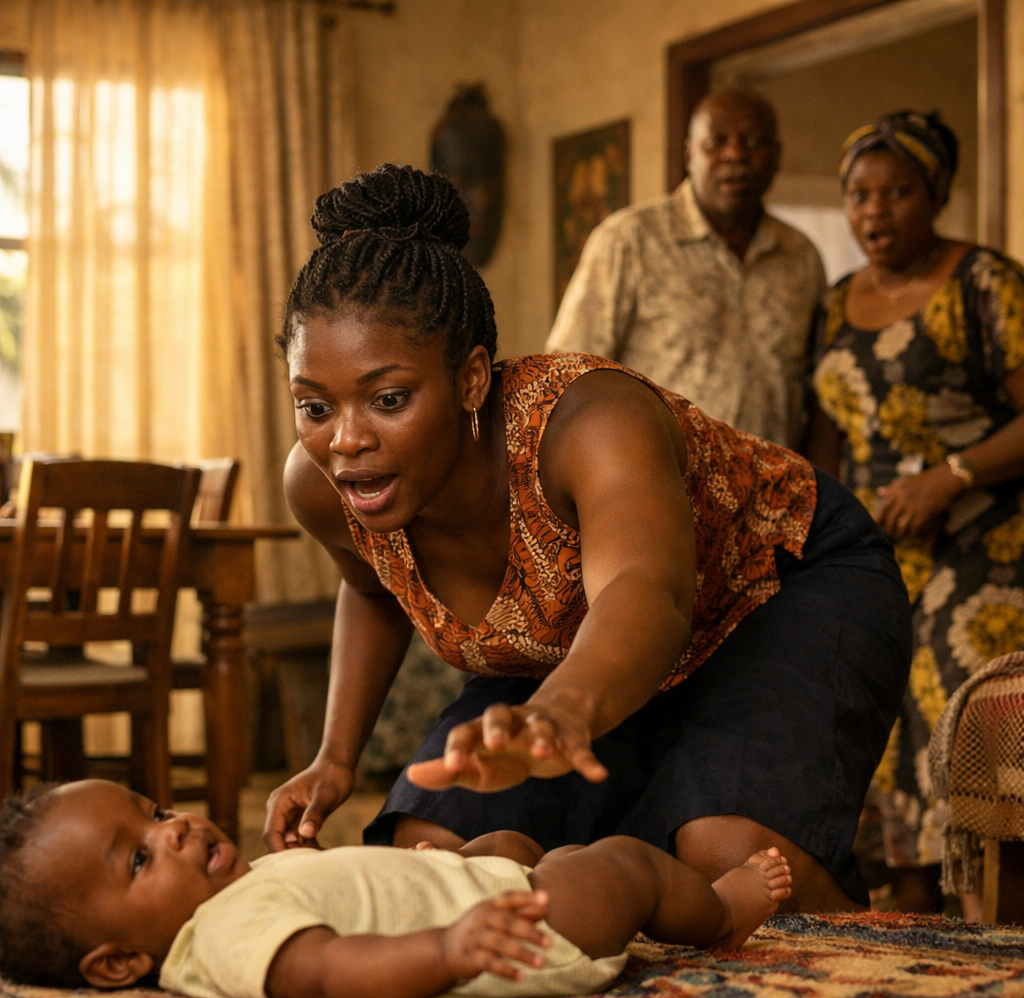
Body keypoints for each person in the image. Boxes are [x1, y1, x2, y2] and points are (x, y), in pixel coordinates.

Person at [263, 162, 911, 914]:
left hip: (779, 583)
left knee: (724, 857)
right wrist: (335, 757)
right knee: (437, 859)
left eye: (388, 399)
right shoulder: (322, 487)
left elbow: (645, 592)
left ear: (471, 380)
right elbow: (374, 589)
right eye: (315, 407)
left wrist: (561, 713)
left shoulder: (589, 421)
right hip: (574, 654)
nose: (346, 440)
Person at [0, 780, 794, 998]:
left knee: (509, 842)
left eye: (155, 810)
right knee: (624, 865)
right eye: (139, 858)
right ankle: (721, 914)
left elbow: (331, 903)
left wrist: (329, 867)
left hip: (482, 887)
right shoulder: (222, 939)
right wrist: (447, 950)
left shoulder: (230, 897)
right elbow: (333, 972)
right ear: (116, 964)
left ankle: (496, 865)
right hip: (524, 935)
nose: (173, 829)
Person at [806, 110, 1024, 913]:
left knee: (958, 718)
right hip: (870, 551)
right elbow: (825, 436)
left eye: (897, 192)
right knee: (877, 718)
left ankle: (993, 917)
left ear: (935, 194)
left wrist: (951, 476)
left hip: (981, 545)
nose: (875, 211)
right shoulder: (836, 303)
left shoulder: (985, 283)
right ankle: (908, 916)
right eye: (859, 195)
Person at [544, 89, 825, 449]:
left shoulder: (800, 255)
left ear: (777, 156)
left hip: (775, 478)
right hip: (659, 476)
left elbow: (819, 389)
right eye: (717, 141)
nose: (736, 154)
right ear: (690, 153)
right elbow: (567, 376)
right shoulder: (629, 240)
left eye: (754, 141)